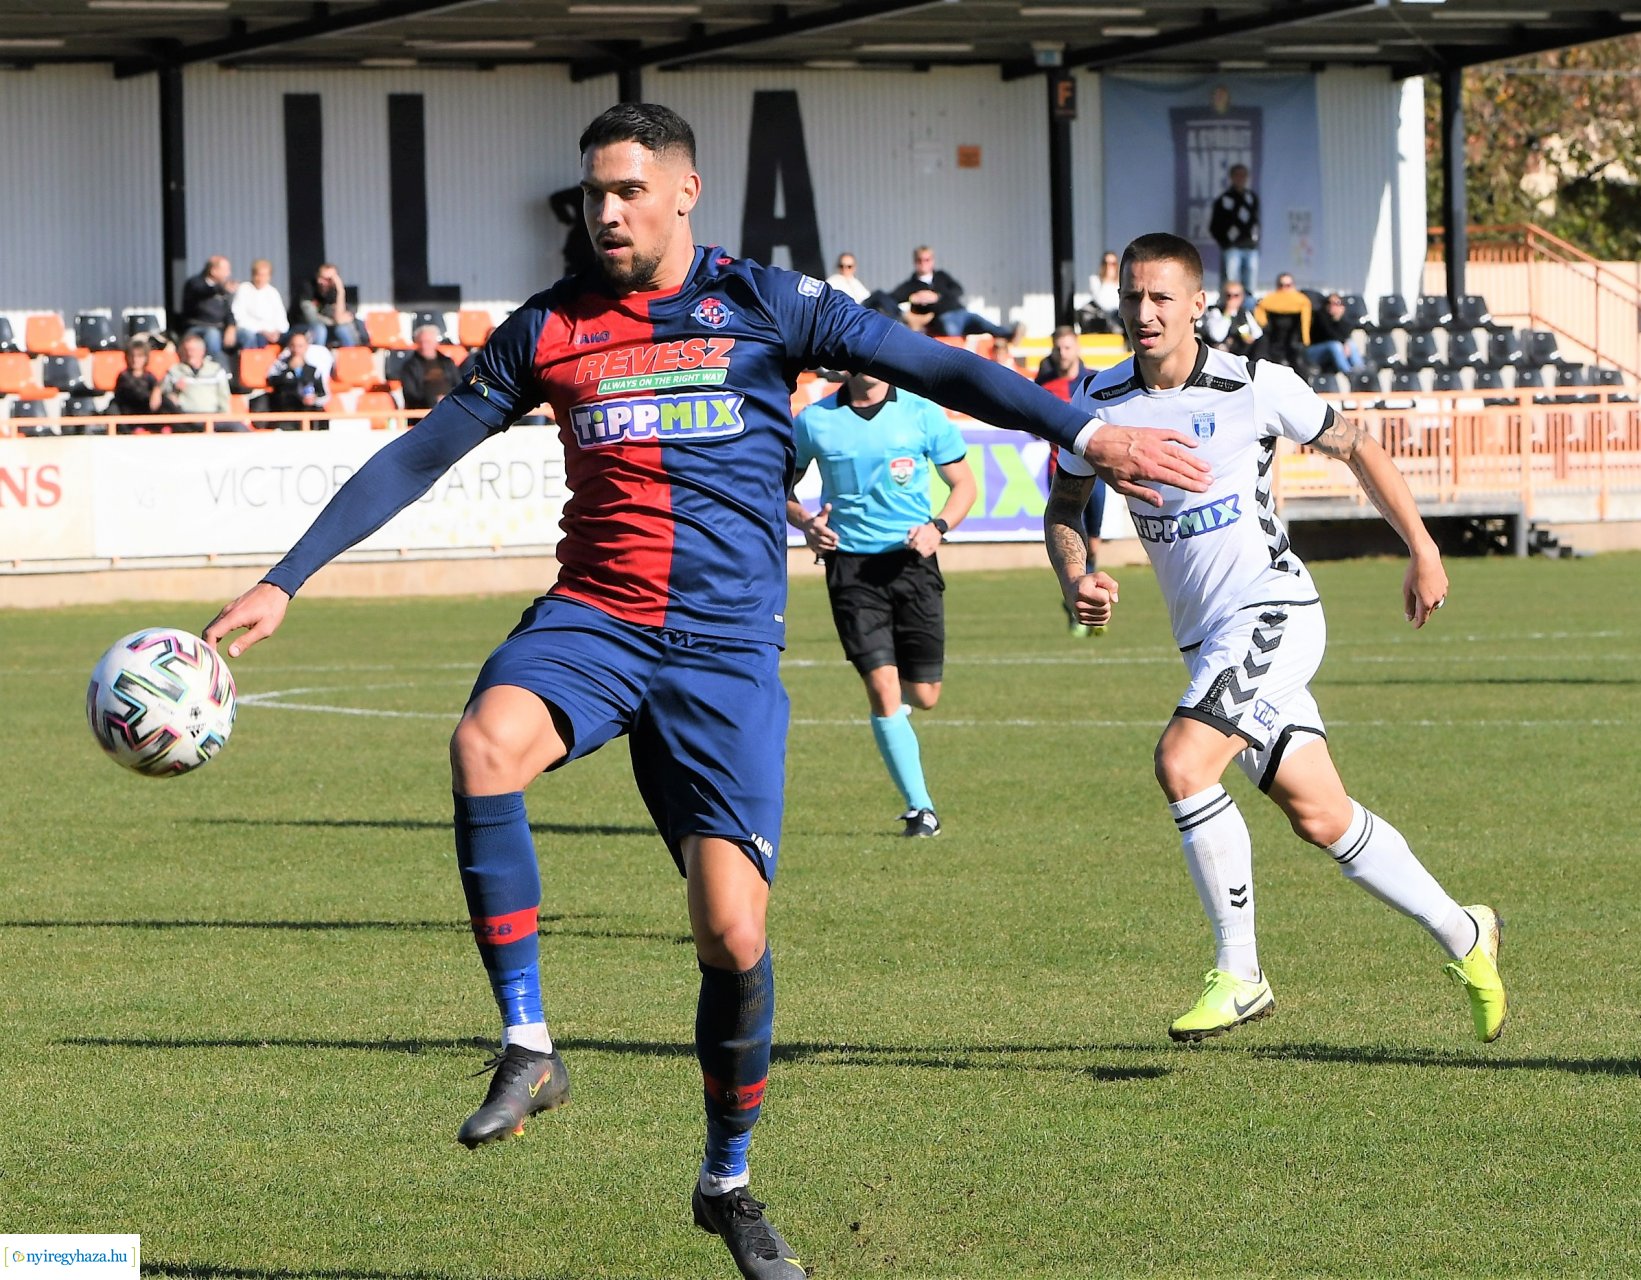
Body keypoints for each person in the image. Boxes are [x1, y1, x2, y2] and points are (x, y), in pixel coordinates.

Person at [200, 103, 1207, 1280]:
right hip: (596, 620)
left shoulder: (768, 305)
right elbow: (423, 452)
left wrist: (1085, 431)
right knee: (484, 745)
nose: (606, 210)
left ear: (684, 192)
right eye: (593, 193)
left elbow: (939, 364)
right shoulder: (552, 326)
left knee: (732, 932)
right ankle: (528, 1039)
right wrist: (288, 580)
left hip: (725, 654)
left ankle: (727, 1180)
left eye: (628, 190)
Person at [1044, 232, 1507, 1047]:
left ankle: (1242, 972)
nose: (1143, 313)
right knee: (1320, 814)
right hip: (1206, 640)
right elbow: (1064, 508)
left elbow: (1357, 445)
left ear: (1197, 305)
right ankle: (1466, 933)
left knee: (1182, 763)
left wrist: (1423, 548)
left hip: (1273, 612)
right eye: (1130, 298)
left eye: (1160, 298)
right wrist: (1075, 575)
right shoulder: (1096, 396)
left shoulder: (1255, 385)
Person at [787, 366, 977, 838]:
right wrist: (806, 523)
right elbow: (777, 488)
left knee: (925, 696)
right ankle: (921, 808)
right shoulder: (814, 421)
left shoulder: (922, 413)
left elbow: (965, 486)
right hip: (850, 570)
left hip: (913, 565)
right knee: (882, 688)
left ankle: (901, 721)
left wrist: (938, 527)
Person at [1037, 326, 1106, 638]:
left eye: (1067, 347)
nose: (1063, 354)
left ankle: (1087, 602)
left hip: (1097, 475)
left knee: (1092, 545)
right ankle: (1079, 603)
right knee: (1069, 539)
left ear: (1077, 347)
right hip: (1061, 474)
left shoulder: (1094, 382)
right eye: (1058, 348)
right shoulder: (1046, 385)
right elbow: (1031, 421)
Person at [888, 245, 1018, 342]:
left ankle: (1009, 335)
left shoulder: (942, 276)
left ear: (932, 261)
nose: (923, 263)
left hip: (961, 313)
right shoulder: (910, 285)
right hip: (942, 319)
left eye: (927, 259)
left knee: (984, 324)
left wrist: (937, 296)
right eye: (920, 260)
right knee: (952, 338)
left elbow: (958, 290)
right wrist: (913, 298)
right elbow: (892, 299)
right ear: (915, 262)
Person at [153, 331, 243, 432]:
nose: (189, 353)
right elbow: (162, 398)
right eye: (186, 350)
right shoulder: (173, 371)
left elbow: (223, 396)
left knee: (239, 428)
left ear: (202, 351)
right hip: (185, 418)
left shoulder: (216, 370)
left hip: (213, 417)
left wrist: (225, 416)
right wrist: (174, 391)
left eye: (193, 350)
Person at [1208, 163, 1260, 296]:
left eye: (1243, 175)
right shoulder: (1224, 199)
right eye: (1237, 175)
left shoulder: (1251, 198)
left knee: (1250, 282)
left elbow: (1255, 222)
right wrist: (1226, 243)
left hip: (1250, 247)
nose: (1240, 178)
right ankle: (1229, 308)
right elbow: (1214, 226)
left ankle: (1248, 309)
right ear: (1231, 177)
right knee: (1231, 282)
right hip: (1232, 248)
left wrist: (1254, 240)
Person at [263, 330, 330, 427]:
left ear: (306, 347)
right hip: (286, 411)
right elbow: (271, 382)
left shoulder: (313, 370)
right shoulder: (280, 366)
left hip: (307, 411)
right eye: (293, 346)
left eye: (300, 346)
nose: (296, 350)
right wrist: (289, 370)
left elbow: (322, 393)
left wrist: (313, 398)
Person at [177, 255, 235, 367]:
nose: (229, 274)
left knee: (247, 335)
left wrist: (231, 326)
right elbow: (202, 292)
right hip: (198, 327)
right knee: (212, 335)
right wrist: (219, 289)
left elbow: (228, 312)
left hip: (220, 328)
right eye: (226, 270)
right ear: (213, 271)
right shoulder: (194, 283)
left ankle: (248, 374)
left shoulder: (222, 289)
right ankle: (216, 370)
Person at [395, 322, 461, 410]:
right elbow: (410, 395)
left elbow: (459, 385)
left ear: (435, 343)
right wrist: (433, 400)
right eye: (421, 342)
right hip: (424, 411)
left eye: (428, 342)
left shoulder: (447, 362)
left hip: (451, 407)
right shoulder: (410, 366)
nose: (424, 345)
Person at [1253, 272, 1311, 370]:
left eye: (1288, 285)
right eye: (1281, 285)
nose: (1284, 289)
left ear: (1293, 286)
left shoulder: (1302, 302)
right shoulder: (1268, 302)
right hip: (1273, 346)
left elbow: (1305, 327)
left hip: (1294, 347)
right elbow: (1261, 321)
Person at [299, 263, 366, 347]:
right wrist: (334, 322)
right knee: (320, 330)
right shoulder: (308, 289)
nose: (321, 281)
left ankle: (352, 357)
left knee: (343, 330)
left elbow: (341, 318)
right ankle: (319, 358)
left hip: (332, 329)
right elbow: (312, 319)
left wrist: (340, 292)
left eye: (327, 279)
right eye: (320, 277)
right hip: (304, 327)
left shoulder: (346, 294)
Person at [231, 259, 290, 350]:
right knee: (255, 338)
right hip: (253, 331)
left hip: (273, 332)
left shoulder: (273, 292)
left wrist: (277, 331)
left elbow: (281, 317)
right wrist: (263, 331)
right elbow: (239, 317)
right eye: (258, 275)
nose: (260, 278)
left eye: (264, 275)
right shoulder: (244, 289)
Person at [1201, 281, 1262, 359]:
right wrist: (1227, 313)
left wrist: (1249, 338)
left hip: (1239, 354)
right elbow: (1217, 336)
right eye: (1228, 295)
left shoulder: (1243, 312)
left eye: (1236, 296)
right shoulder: (1215, 312)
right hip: (1219, 355)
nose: (1231, 299)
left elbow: (1257, 332)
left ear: (1242, 297)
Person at [109, 337, 163, 425]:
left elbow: (156, 389)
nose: (135, 360)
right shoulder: (124, 376)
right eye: (132, 356)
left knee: (166, 401)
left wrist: (157, 391)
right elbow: (131, 392)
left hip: (147, 411)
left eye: (139, 356)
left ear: (146, 358)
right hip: (128, 411)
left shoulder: (149, 376)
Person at [1304, 292, 1361, 376]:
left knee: (1351, 344)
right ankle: (1348, 372)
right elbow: (1330, 334)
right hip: (1313, 351)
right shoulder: (1320, 316)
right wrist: (1344, 343)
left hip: (1333, 351)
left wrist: (1339, 318)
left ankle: (1360, 370)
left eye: (1336, 303)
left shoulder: (1343, 321)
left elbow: (1346, 333)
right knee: (1335, 345)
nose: (1332, 306)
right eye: (1329, 303)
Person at [1078, 250, 1122, 334]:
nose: (1109, 267)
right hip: (1101, 315)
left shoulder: (1121, 283)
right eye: (1106, 263)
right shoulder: (1095, 280)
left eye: (1113, 264)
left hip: (1117, 315)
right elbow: (1099, 300)